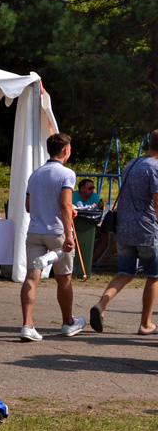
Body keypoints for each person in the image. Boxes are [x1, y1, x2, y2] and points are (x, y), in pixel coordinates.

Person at [88, 129, 158, 336]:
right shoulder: (155, 168)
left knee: (125, 273)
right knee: (154, 276)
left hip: (124, 228)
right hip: (146, 229)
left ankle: (101, 304)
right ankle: (146, 323)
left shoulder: (132, 163)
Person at [19, 132, 85, 341]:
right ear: (66, 150)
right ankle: (67, 323)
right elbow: (65, 204)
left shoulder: (35, 174)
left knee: (32, 276)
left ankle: (27, 325)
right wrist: (68, 235)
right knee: (63, 279)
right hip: (57, 232)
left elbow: (29, 206)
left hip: (35, 231)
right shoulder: (67, 174)